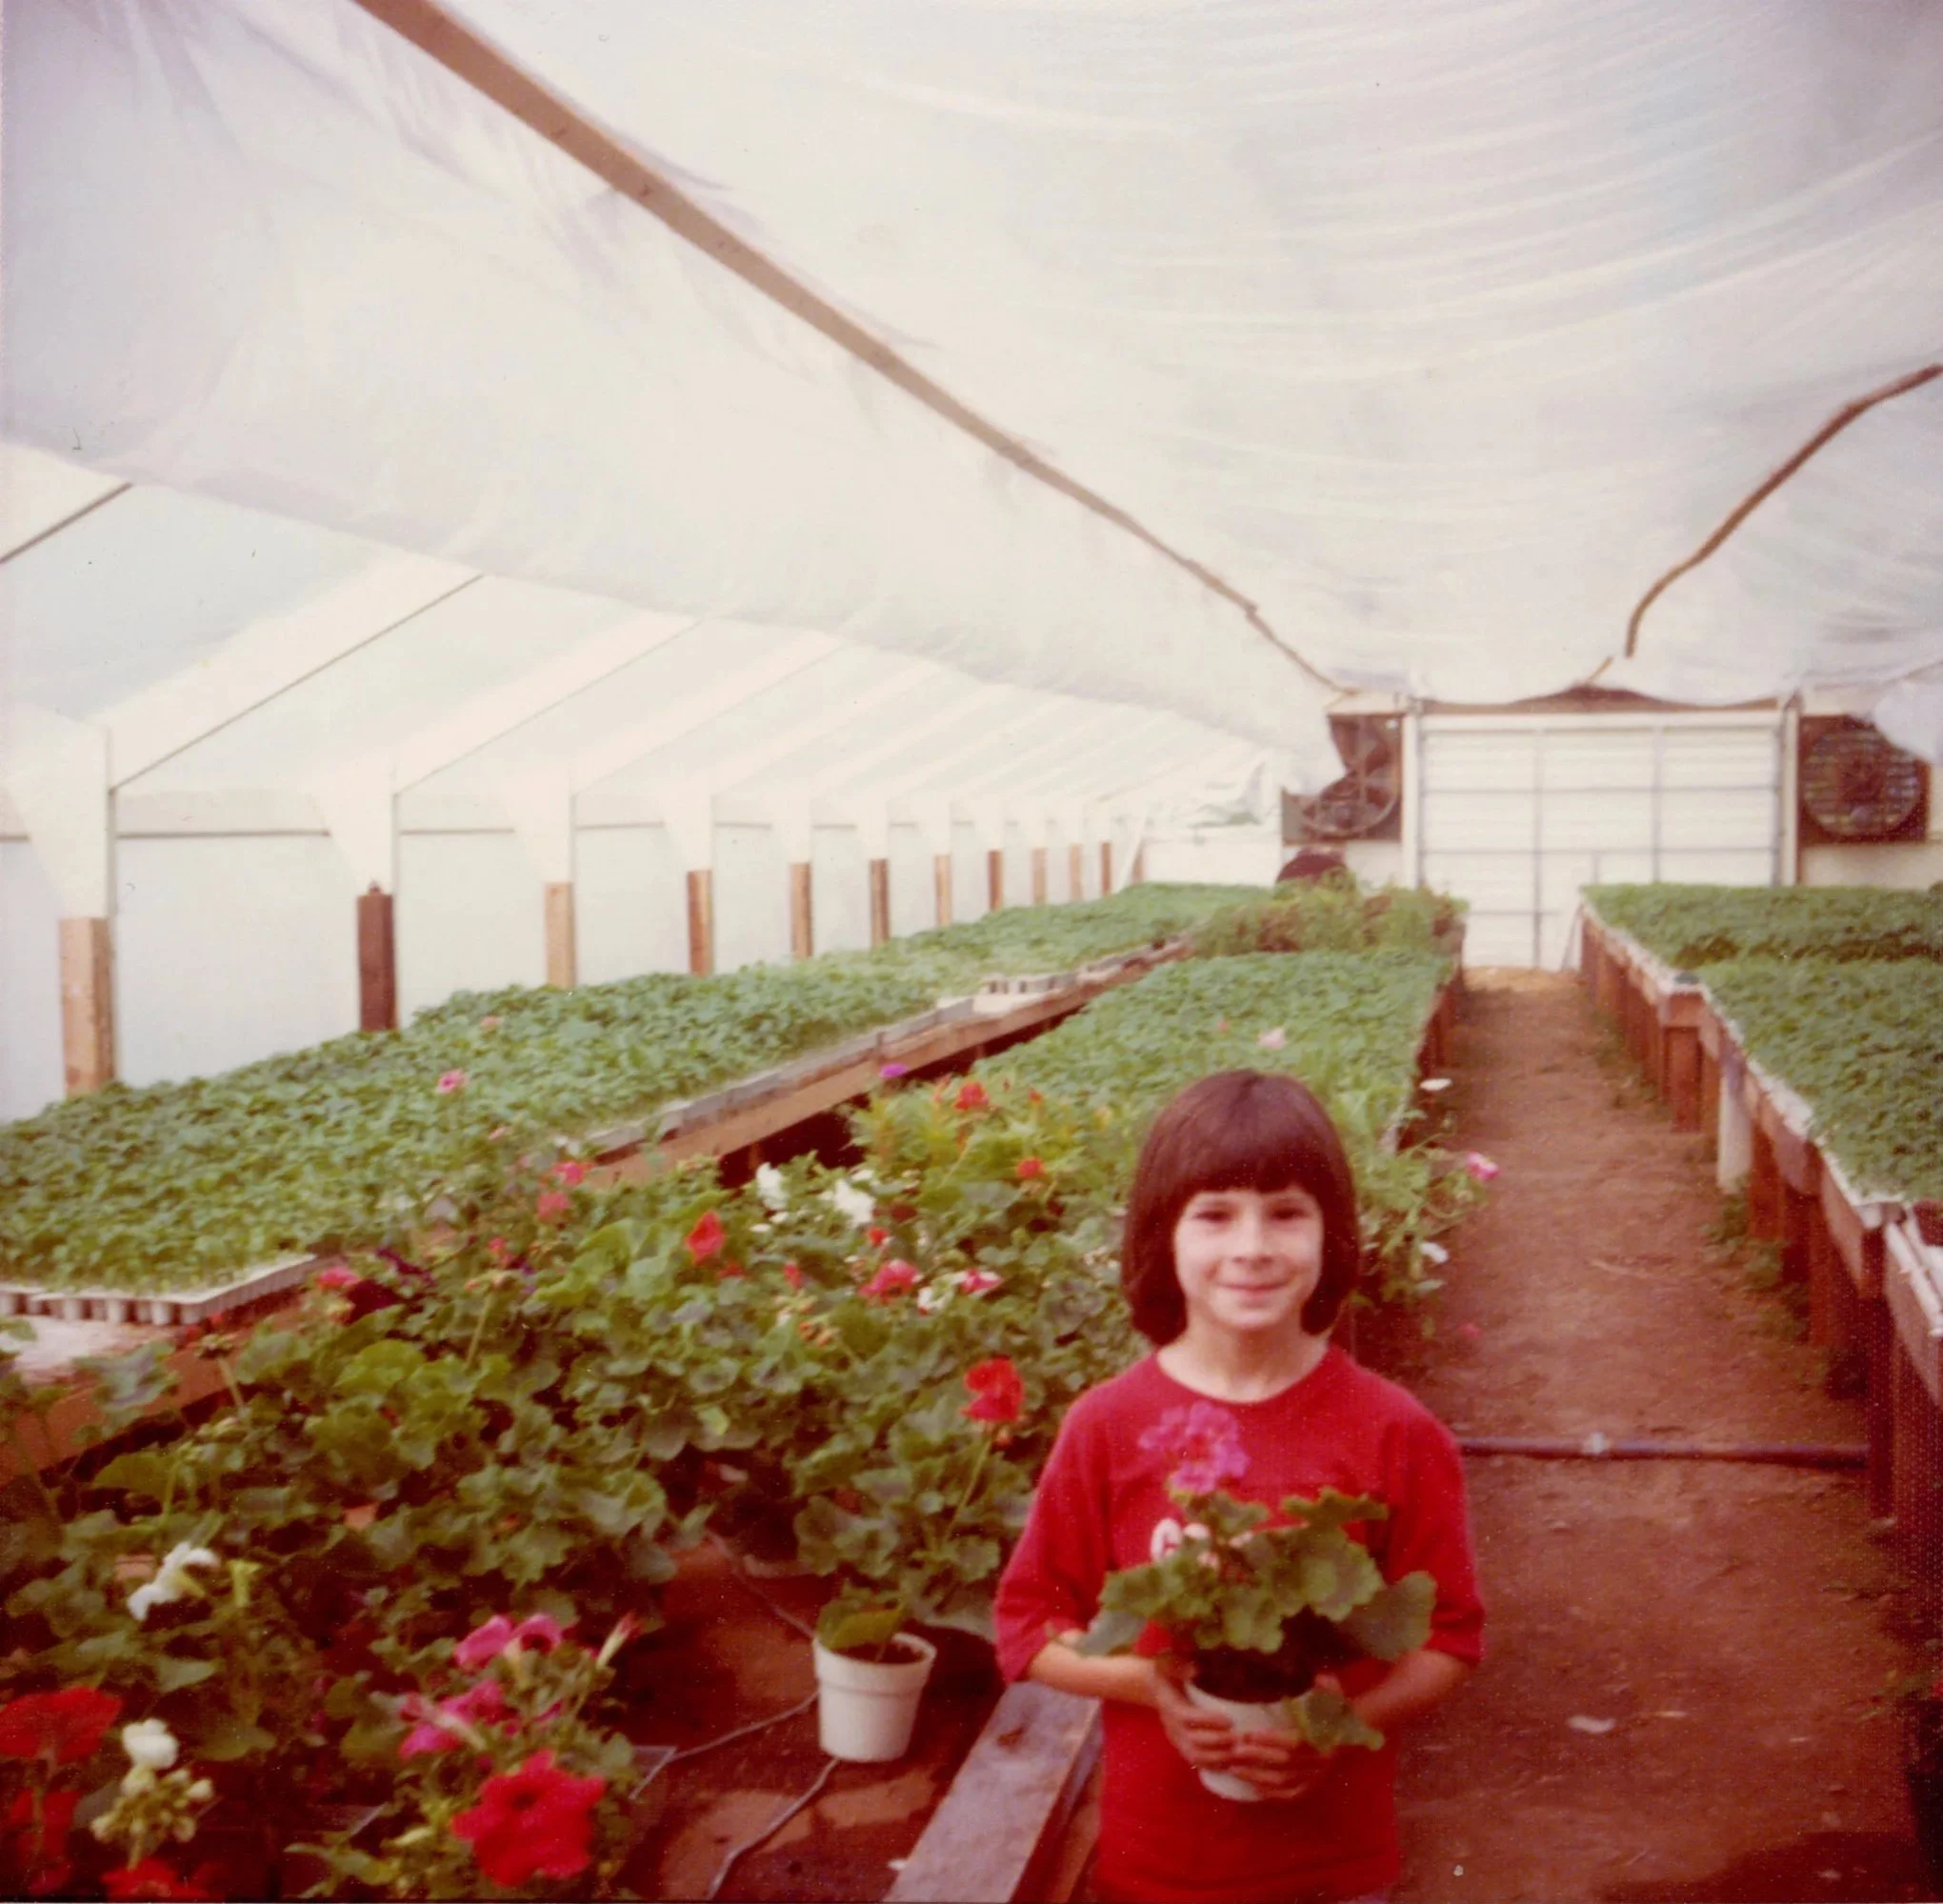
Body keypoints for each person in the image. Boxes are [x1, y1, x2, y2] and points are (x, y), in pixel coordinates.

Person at [993, 1070, 1483, 1904]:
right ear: (1163, 1236)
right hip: (1160, 1863)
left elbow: (1449, 1642)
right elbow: (1026, 1628)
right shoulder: (1107, 1424)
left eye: (1287, 1212)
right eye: (1215, 1213)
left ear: (1333, 1234)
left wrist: (1340, 1723)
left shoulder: (1396, 1429)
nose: (1253, 1245)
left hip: (1335, 1865)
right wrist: (1153, 1681)